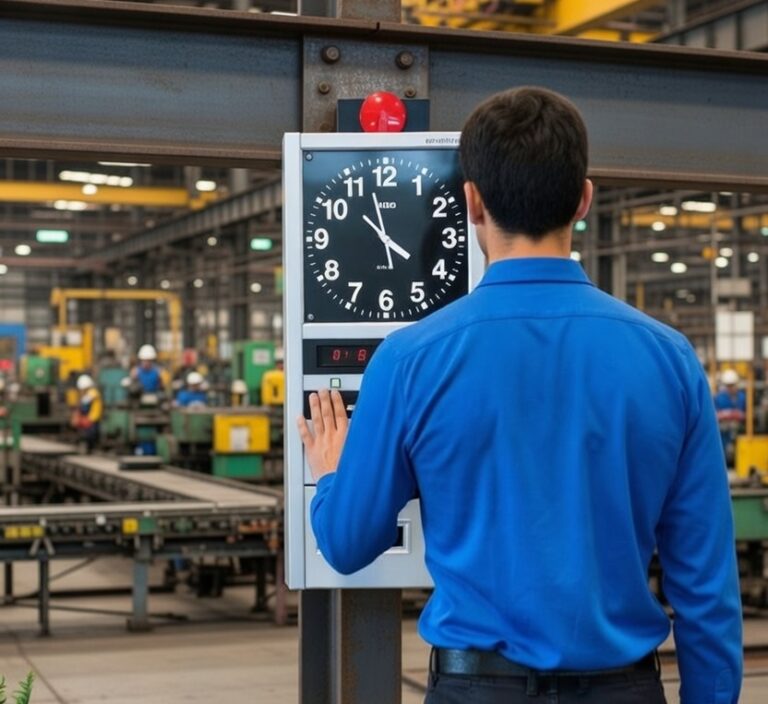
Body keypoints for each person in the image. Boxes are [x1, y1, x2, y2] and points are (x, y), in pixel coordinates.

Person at [297, 87, 742, 704]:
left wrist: (332, 475)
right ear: (584, 199)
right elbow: (707, 589)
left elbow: (347, 544)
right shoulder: (669, 360)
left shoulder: (410, 359)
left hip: (475, 690)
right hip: (625, 691)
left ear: (471, 202)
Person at [73, 374, 102, 452]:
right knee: (89, 434)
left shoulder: (92, 393)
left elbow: (84, 403)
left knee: (90, 435)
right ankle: (89, 448)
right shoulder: (91, 392)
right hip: (92, 417)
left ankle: (90, 448)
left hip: (93, 418)